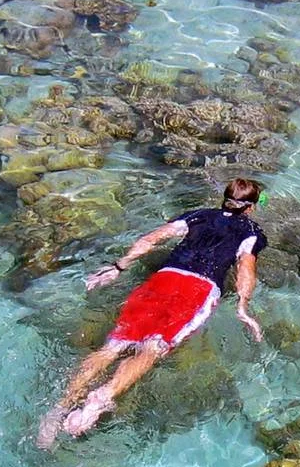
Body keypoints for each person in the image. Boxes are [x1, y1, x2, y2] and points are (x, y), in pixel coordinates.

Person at [36, 179, 268, 450]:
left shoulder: (197, 215)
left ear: (224, 199)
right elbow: (245, 269)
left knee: (113, 345)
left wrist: (117, 267)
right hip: (199, 289)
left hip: (163, 279)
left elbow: (150, 240)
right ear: (251, 207)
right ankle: (101, 398)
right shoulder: (251, 232)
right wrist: (243, 307)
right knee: (153, 347)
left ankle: (58, 409)